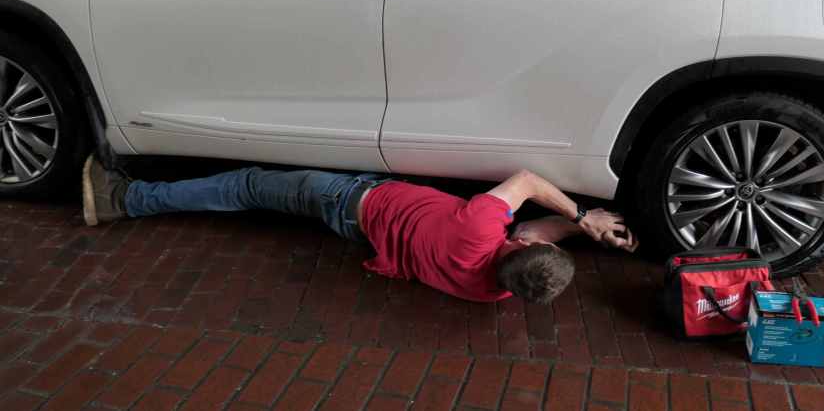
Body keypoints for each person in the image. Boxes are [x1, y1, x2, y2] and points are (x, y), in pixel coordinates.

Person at [81, 157, 638, 304]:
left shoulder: (479, 226)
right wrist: (591, 230)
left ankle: (125, 200)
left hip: (344, 198)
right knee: (250, 192)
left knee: (244, 186)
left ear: (517, 243)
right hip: (360, 230)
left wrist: (580, 217)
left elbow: (528, 183)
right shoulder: (491, 291)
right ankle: (127, 200)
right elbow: (537, 232)